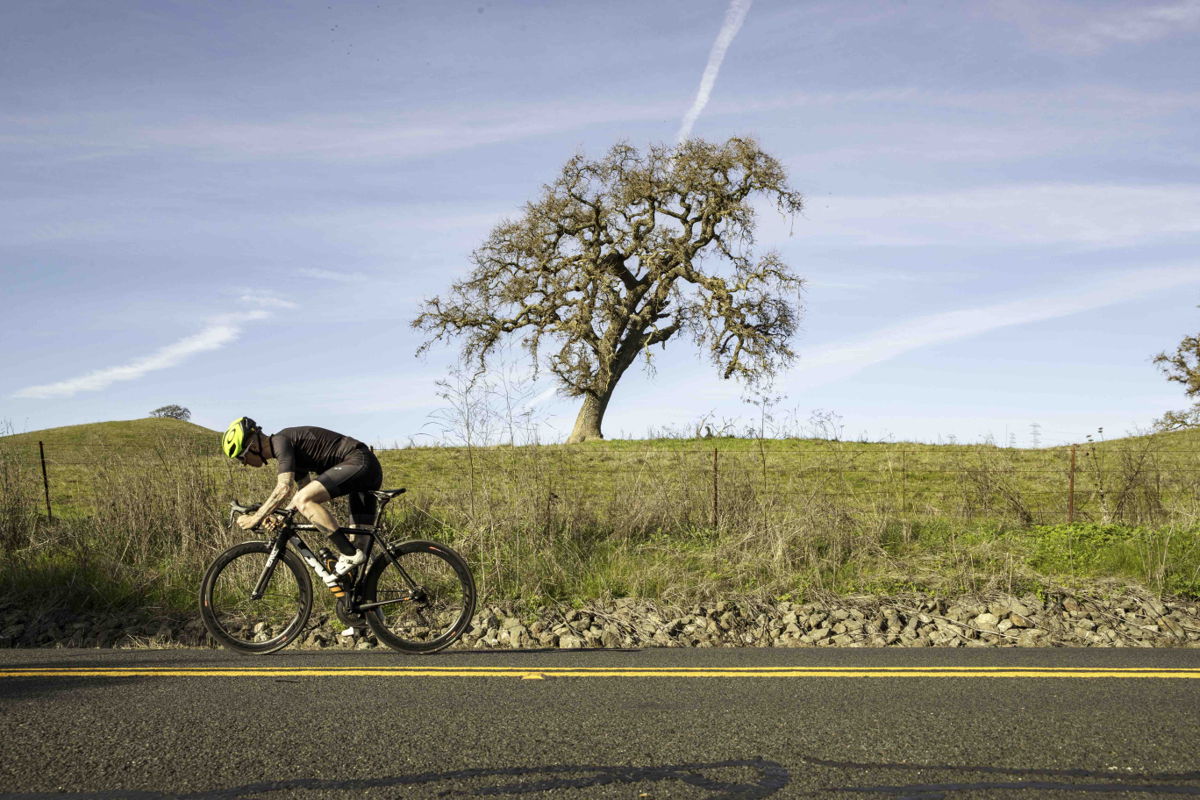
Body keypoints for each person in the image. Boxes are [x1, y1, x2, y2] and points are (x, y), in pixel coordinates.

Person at [221, 417, 383, 586]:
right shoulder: (288, 449)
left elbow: (284, 488)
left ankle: (348, 553)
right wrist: (282, 517)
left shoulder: (280, 441)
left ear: (252, 447)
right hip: (366, 469)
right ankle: (365, 606)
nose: (244, 464)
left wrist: (256, 518)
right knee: (361, 547)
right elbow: (303, 487)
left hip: (359, 462)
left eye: (241, 458)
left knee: (305, 501)